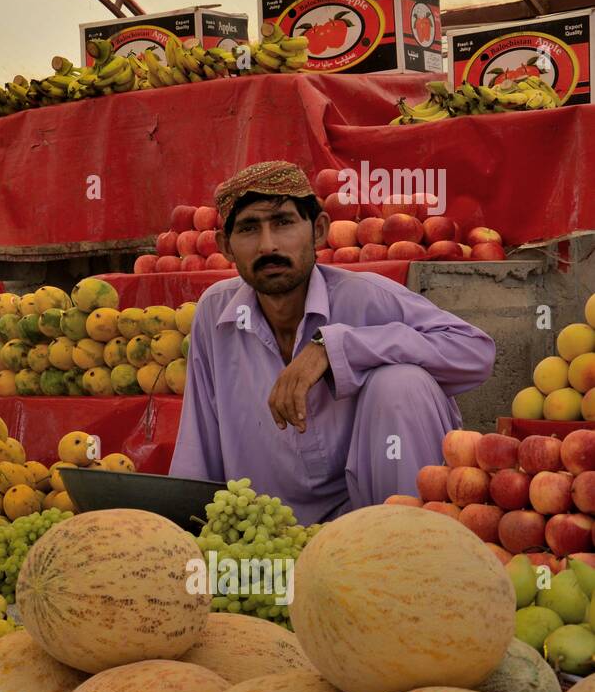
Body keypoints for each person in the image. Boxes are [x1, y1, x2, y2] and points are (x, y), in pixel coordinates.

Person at [169, 161, 495, 524]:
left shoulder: (367, 298)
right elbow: (199, 439)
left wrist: (338, 348)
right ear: (226, 247)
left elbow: (475, 352)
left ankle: (411, 545)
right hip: (268, 535)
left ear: (319, 230)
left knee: (401, 382)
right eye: (248, 229)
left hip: (368, 524)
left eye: (283, 223)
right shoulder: (216, 313)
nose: (268, 245)